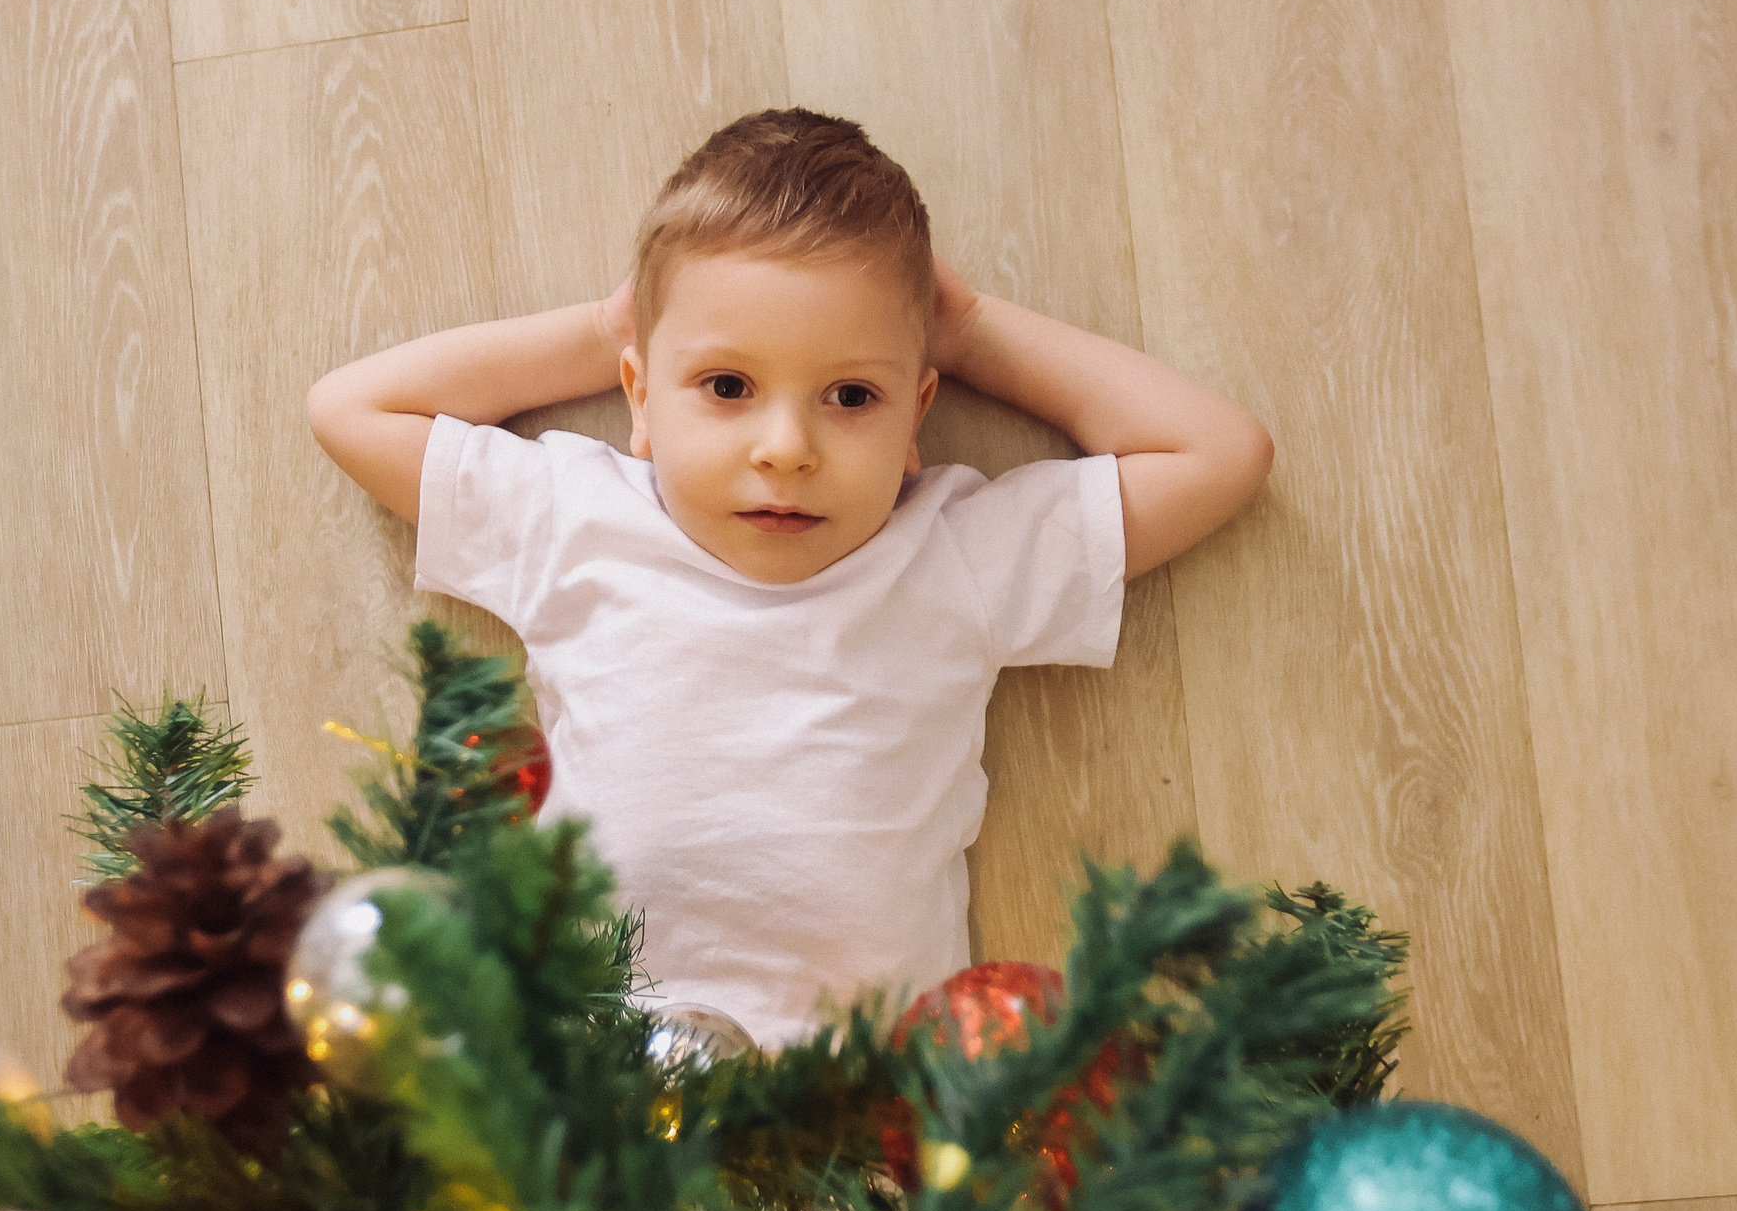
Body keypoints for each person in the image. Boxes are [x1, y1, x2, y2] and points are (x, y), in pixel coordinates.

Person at [306, 108, 1271, 1050]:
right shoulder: (576, 520)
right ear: (641, 398)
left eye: (852, 396)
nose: (786, 449)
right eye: (726, 387)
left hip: (852, 1135)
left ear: (915, 416)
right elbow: (350, 408)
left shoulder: (955, 557)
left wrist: (969, 331)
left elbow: (1221, 454)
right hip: (593, 1093)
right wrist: (610, 329)